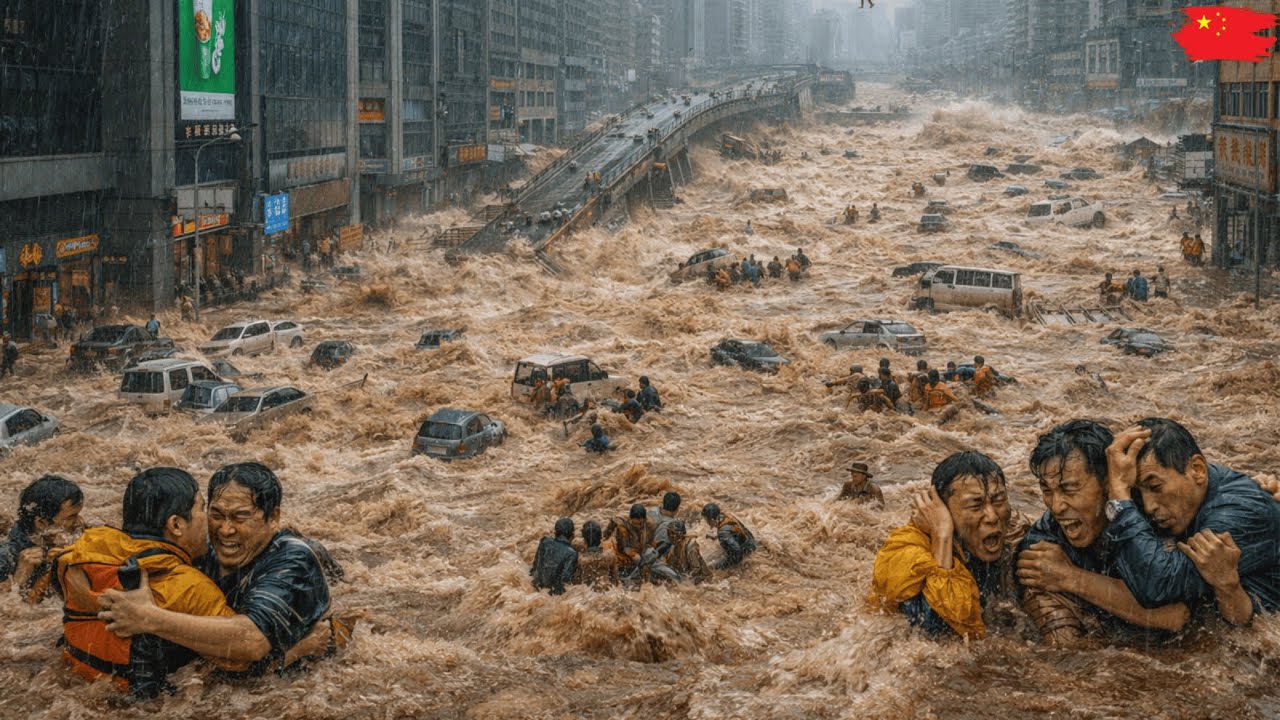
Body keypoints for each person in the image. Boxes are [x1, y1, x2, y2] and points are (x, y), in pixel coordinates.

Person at [97, 463, 344, 679]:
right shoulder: (203, 553)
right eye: (216, 514)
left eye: (240, 517)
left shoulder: (292, 560)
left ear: (273, 517)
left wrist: (149, 618)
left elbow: (251, 641)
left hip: (293, 684)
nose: (225, 530)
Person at [56, 468, 233, 698]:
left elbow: (56, 563)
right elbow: (241, 654)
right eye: (201, 508)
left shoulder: (79, 554)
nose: (208, 518)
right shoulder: (189, 587)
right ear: (176, 525)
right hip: (148, 706)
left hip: (76, 685)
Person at [1016, 420, 1193, 645]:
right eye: (1047, 490)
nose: (1057, 506)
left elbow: (1176, 616)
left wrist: (1070, 577)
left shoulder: (1151, 515)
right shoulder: (1046, 539)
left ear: (1107, 483)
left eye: (1069, 489)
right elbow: (1062, 646)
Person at [1102, 419, 1280, 625]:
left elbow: (1157, 586)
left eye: (1155, 487)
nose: (1149, 506)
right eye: (1137, 493)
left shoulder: (1239, 513)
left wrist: (1119, 498)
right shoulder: (1192, 487)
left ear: (1197, 470)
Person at [867, 451, 1019, 639]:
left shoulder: (1015, 534)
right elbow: (945, 632)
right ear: (942, 510)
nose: (992, 516)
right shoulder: (906, 550)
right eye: (975, 505)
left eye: (998, 500)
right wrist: (942, 536)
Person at [1, 475, 83, 602]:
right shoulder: (7, 557)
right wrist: (19, 577)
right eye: (71, 517)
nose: (79, 522)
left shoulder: (68, 535)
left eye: (78, 514)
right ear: (41, 523)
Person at [530, 518, 578, 595]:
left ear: (555, 532)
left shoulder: (545, 542)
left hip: (536, 589)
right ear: (572, 535)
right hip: (553, 595)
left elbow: (536, 567)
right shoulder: (572, 553)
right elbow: (565, 580)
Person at [701, 503, 756, 569]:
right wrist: (717, 536)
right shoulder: (726, 515)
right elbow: (738, 529)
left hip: (747, 553)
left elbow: (738, 554)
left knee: (711, 567)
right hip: (751, 543)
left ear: (712, 520)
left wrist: (716, 566)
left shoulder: (723, 533)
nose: (706, 522)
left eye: (706, 519)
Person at [610, 504, 656, 578]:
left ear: (644, 519)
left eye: (639, 524)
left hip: (643, 547)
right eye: (635, 524)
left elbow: (651, 541)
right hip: (628, 548)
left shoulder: (650, 524)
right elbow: (614, 518)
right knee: (637, 558)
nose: (637, 526)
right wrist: (620, 527)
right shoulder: (625, 524)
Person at [571, 520, 617, 587]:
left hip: (587, 593)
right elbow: (615, 579)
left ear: (584, 540)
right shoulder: (610, 556)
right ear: (600, 538)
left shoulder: (581, 559)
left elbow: (576, 581)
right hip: (606, 589)